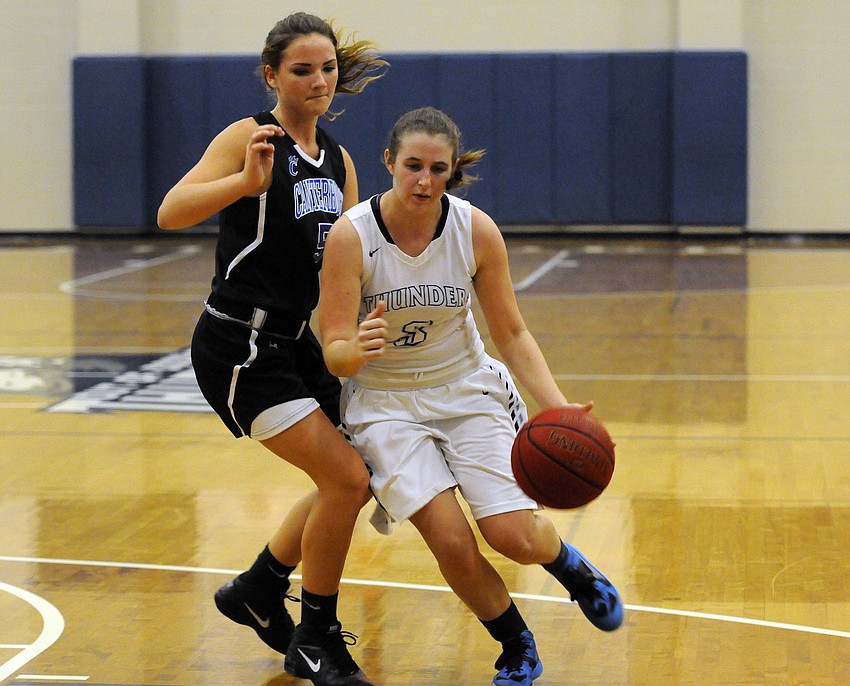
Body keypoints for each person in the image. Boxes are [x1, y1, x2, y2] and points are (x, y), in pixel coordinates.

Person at [318, 106, 624, 686]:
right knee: (452, 542)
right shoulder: (351, 236)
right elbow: (332, 346)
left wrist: (557, 407)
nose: (424, 181)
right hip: (384, 404)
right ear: (389, 161)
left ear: (452, 170)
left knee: (514, 536)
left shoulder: (475, 230)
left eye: (438, 169)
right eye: (413, 166)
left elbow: (512, 332)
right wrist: (352, 350)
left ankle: (571, 567)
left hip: (464, 387)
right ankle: (517, 646)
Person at [157, 12, 386, 686]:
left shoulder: (338, 161)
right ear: (272, 75)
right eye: (302, 70)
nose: (319, 81)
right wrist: (243, 185)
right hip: (238, 342)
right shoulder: (249, 137)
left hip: (296, 341)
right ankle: (316, 637)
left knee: (362, 471)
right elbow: (171, 211)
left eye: (328, 68)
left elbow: (348, 268)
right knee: (346, 479)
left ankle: (258, 588)